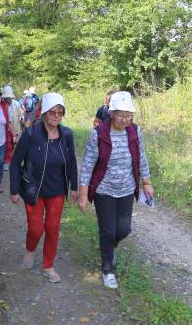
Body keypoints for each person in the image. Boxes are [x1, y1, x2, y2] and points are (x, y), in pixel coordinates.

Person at [78, 91, 154, 290]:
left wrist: (146, 182)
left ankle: (109, 247)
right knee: (108, 230)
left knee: (124, 229)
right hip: (104, 190)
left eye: (129, 116)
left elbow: (142, 157)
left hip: (127, 189)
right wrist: (84, 195)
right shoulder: (99, 134)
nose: (125, 120)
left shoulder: (134, 131)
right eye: (121, 115)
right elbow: (87, 165)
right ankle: (108, 269)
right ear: (111, 113)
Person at [10, 93, 78, 283]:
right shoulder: (30, 135)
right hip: (34, 189)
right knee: (36, 228)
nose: (56, 116)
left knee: (53, 228)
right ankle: (30, 250)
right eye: (52, 112)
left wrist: (74, 187)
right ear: (44, 114)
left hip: (57, 190)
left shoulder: (67, 135)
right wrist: (14, 189)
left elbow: (72, 161)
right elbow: (15, 163)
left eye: (60, 113)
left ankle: (48, 265)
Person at [2, 85, 22, 171]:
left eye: (9, 97)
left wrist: (21, 120)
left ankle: (13, 161)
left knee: (15, 145)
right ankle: (6, 162)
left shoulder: (17, 104)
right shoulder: (2, 105)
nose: (8, 99)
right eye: (6, 98)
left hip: (16, 127)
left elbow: (20, 115)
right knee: (7, 145)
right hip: (6, 129)